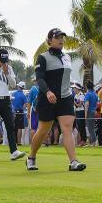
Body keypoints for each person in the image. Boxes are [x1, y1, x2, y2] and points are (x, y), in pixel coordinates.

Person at [26, 28, 86, 172]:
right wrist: (47, 92)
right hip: (48, 98)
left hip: (65, 97)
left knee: (67, 128)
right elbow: (40, 78)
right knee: (43, 131)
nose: (61, 40)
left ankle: (74, 162)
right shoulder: (43, 57)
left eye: (62, 37)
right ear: (49, 41)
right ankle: (31, 157)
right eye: (57, 37)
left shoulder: (67, 57)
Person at [0, 48, 25, 161]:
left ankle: (13, 151)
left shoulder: (10, 68)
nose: (4, 63)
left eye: (5, 60)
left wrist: (7, 73)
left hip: (6, 99)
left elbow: (13, 85)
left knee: (10, 125)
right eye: (2, 60)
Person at [12, 81, 28, 146]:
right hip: (20, 112)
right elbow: (26, 104)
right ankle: (18, 142)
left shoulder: (14, 94)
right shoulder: (23, 95)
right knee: (19, 127)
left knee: (13, 127)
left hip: (13, 112)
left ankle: (13, 141)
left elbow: (10, 102)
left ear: (18, 86)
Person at [83, 81, 98, 146]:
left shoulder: (88, 94)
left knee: (90, 128)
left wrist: (85, 113)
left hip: (89, 112)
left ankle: (94, 142)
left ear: (87, 87)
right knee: (92, 127)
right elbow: (96, 104)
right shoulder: (95, 94)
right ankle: (93, 141)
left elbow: (87, 104)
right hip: (94, 111)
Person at [27, 76, 40, 142]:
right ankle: (42, 142)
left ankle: (33, 142)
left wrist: (28, 112)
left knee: (33, 128)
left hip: (33, 109)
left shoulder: (32, 89)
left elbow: (29, 102)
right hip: (41, 109)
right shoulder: (43, 88)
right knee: (41, 128)